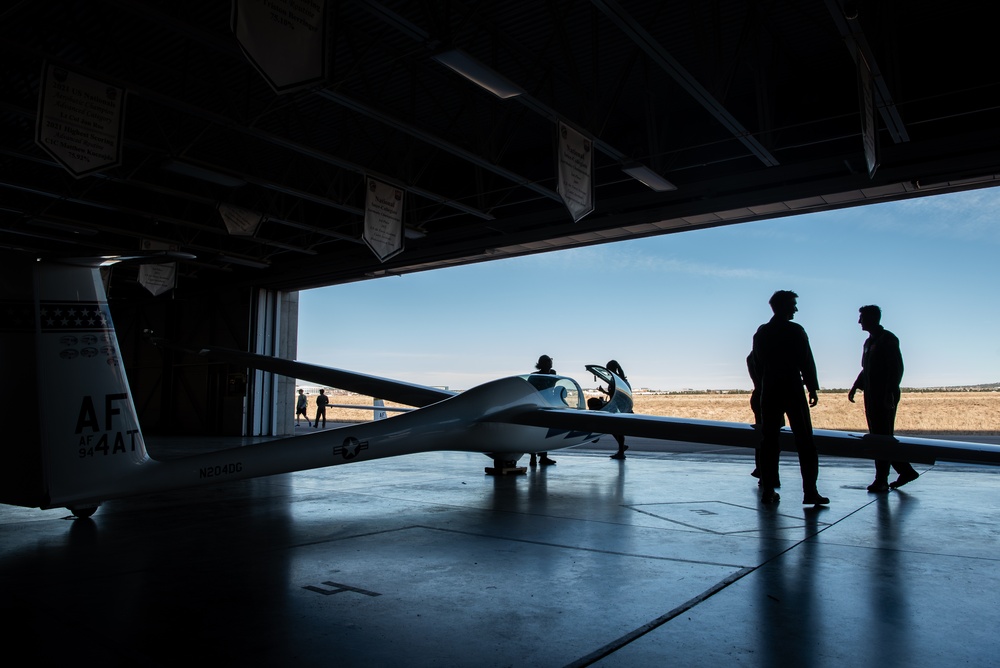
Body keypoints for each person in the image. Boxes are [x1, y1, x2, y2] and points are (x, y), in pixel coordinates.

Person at [751, 290, 828, 505]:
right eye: (793, 305)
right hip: (792, 388)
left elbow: (756, 363)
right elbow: (806, 360)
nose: (796, 309)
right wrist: (812, 387)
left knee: (769, 442)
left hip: (769, 389)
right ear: (784, 306)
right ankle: (810, 491)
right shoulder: (795, 330)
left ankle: (767, 490)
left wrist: (763, 384)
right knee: (805, 440)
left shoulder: (762, 333)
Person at [848, 305, 919, 492]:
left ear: (872, 318)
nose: (859, 322)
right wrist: (856, 386)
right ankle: (905, 470)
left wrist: (889, 393)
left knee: (882, 438)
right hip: (871, 394)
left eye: (862, 318)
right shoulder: (868, 342)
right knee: (878, 437)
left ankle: (881, 479)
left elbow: (896, 369)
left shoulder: (888, 339)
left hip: (884, 395)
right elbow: (866, 368)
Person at [529, 355, 557, 466]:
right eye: (548, 362)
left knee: (545, 432)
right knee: (536, 431)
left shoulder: (552, 373)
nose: (550, 363)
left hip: (549, 405)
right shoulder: (534, 376)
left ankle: (542, 456)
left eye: (550, 361)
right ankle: (533, 457)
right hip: (539, 405)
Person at [605, 360, 630, 459]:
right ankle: (621, 448)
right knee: (616, 429)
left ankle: (621, 450)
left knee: (616, 429)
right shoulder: (621, 379)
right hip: (620, 408)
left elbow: (615, 394)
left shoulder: (616, 380)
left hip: (618, 409)